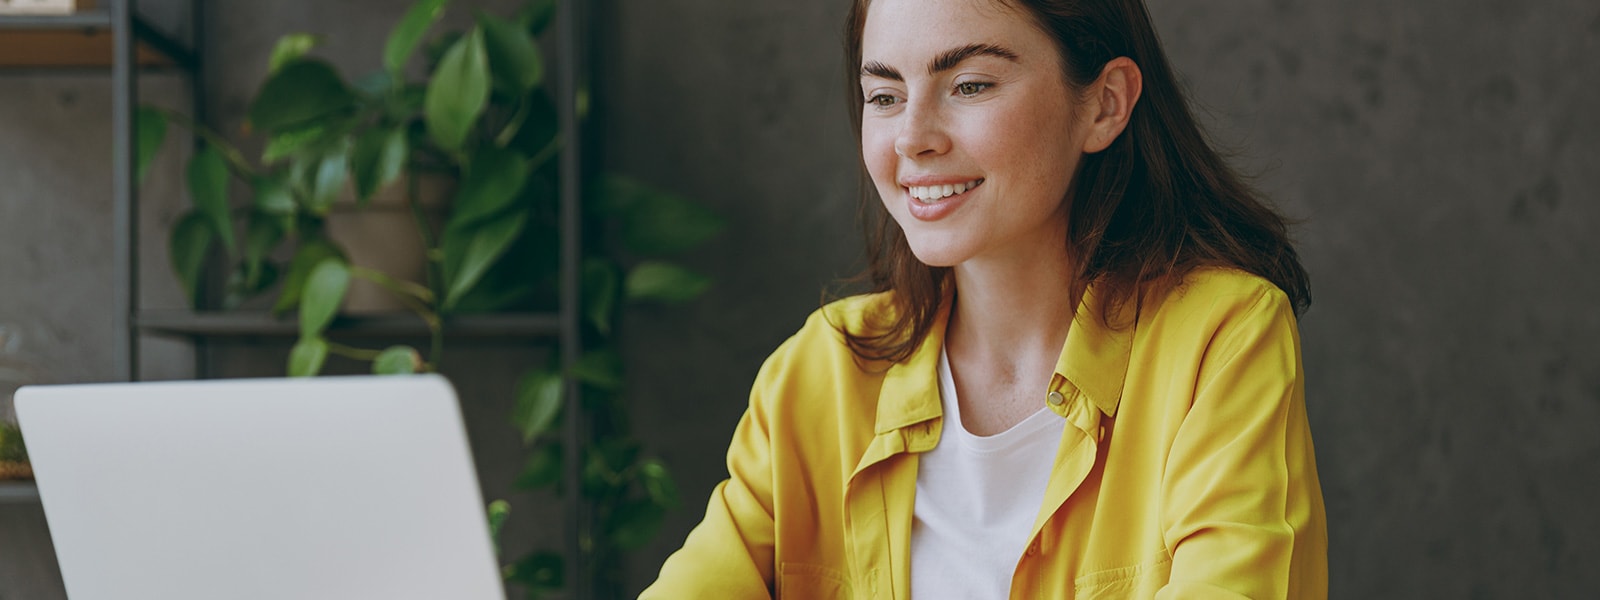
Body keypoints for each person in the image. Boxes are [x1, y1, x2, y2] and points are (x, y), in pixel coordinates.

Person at [640, 0, 1327, 597]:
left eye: (968, 85)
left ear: (1106, 104)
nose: (912, 137)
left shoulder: (1222, 336)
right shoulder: (821, 371)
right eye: (884, 96)